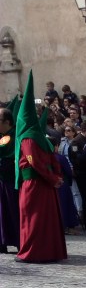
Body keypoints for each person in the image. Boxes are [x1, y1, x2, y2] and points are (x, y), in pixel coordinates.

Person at [15, 71, 67, 264]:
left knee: (33, 219)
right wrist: (57, 177)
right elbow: (54, 159)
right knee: (47, 219)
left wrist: (54, 179)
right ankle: (50, 250)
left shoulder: (28, 138)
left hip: (34, 184)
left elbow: (34, 162)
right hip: (46, 183)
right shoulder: (43, 138)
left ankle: (33, 252)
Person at [0, 103, 20, 254]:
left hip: (11, 181)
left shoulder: (14, 136)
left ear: (7, 121)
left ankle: (19, 240)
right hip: (2, 180)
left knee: (13, 211)